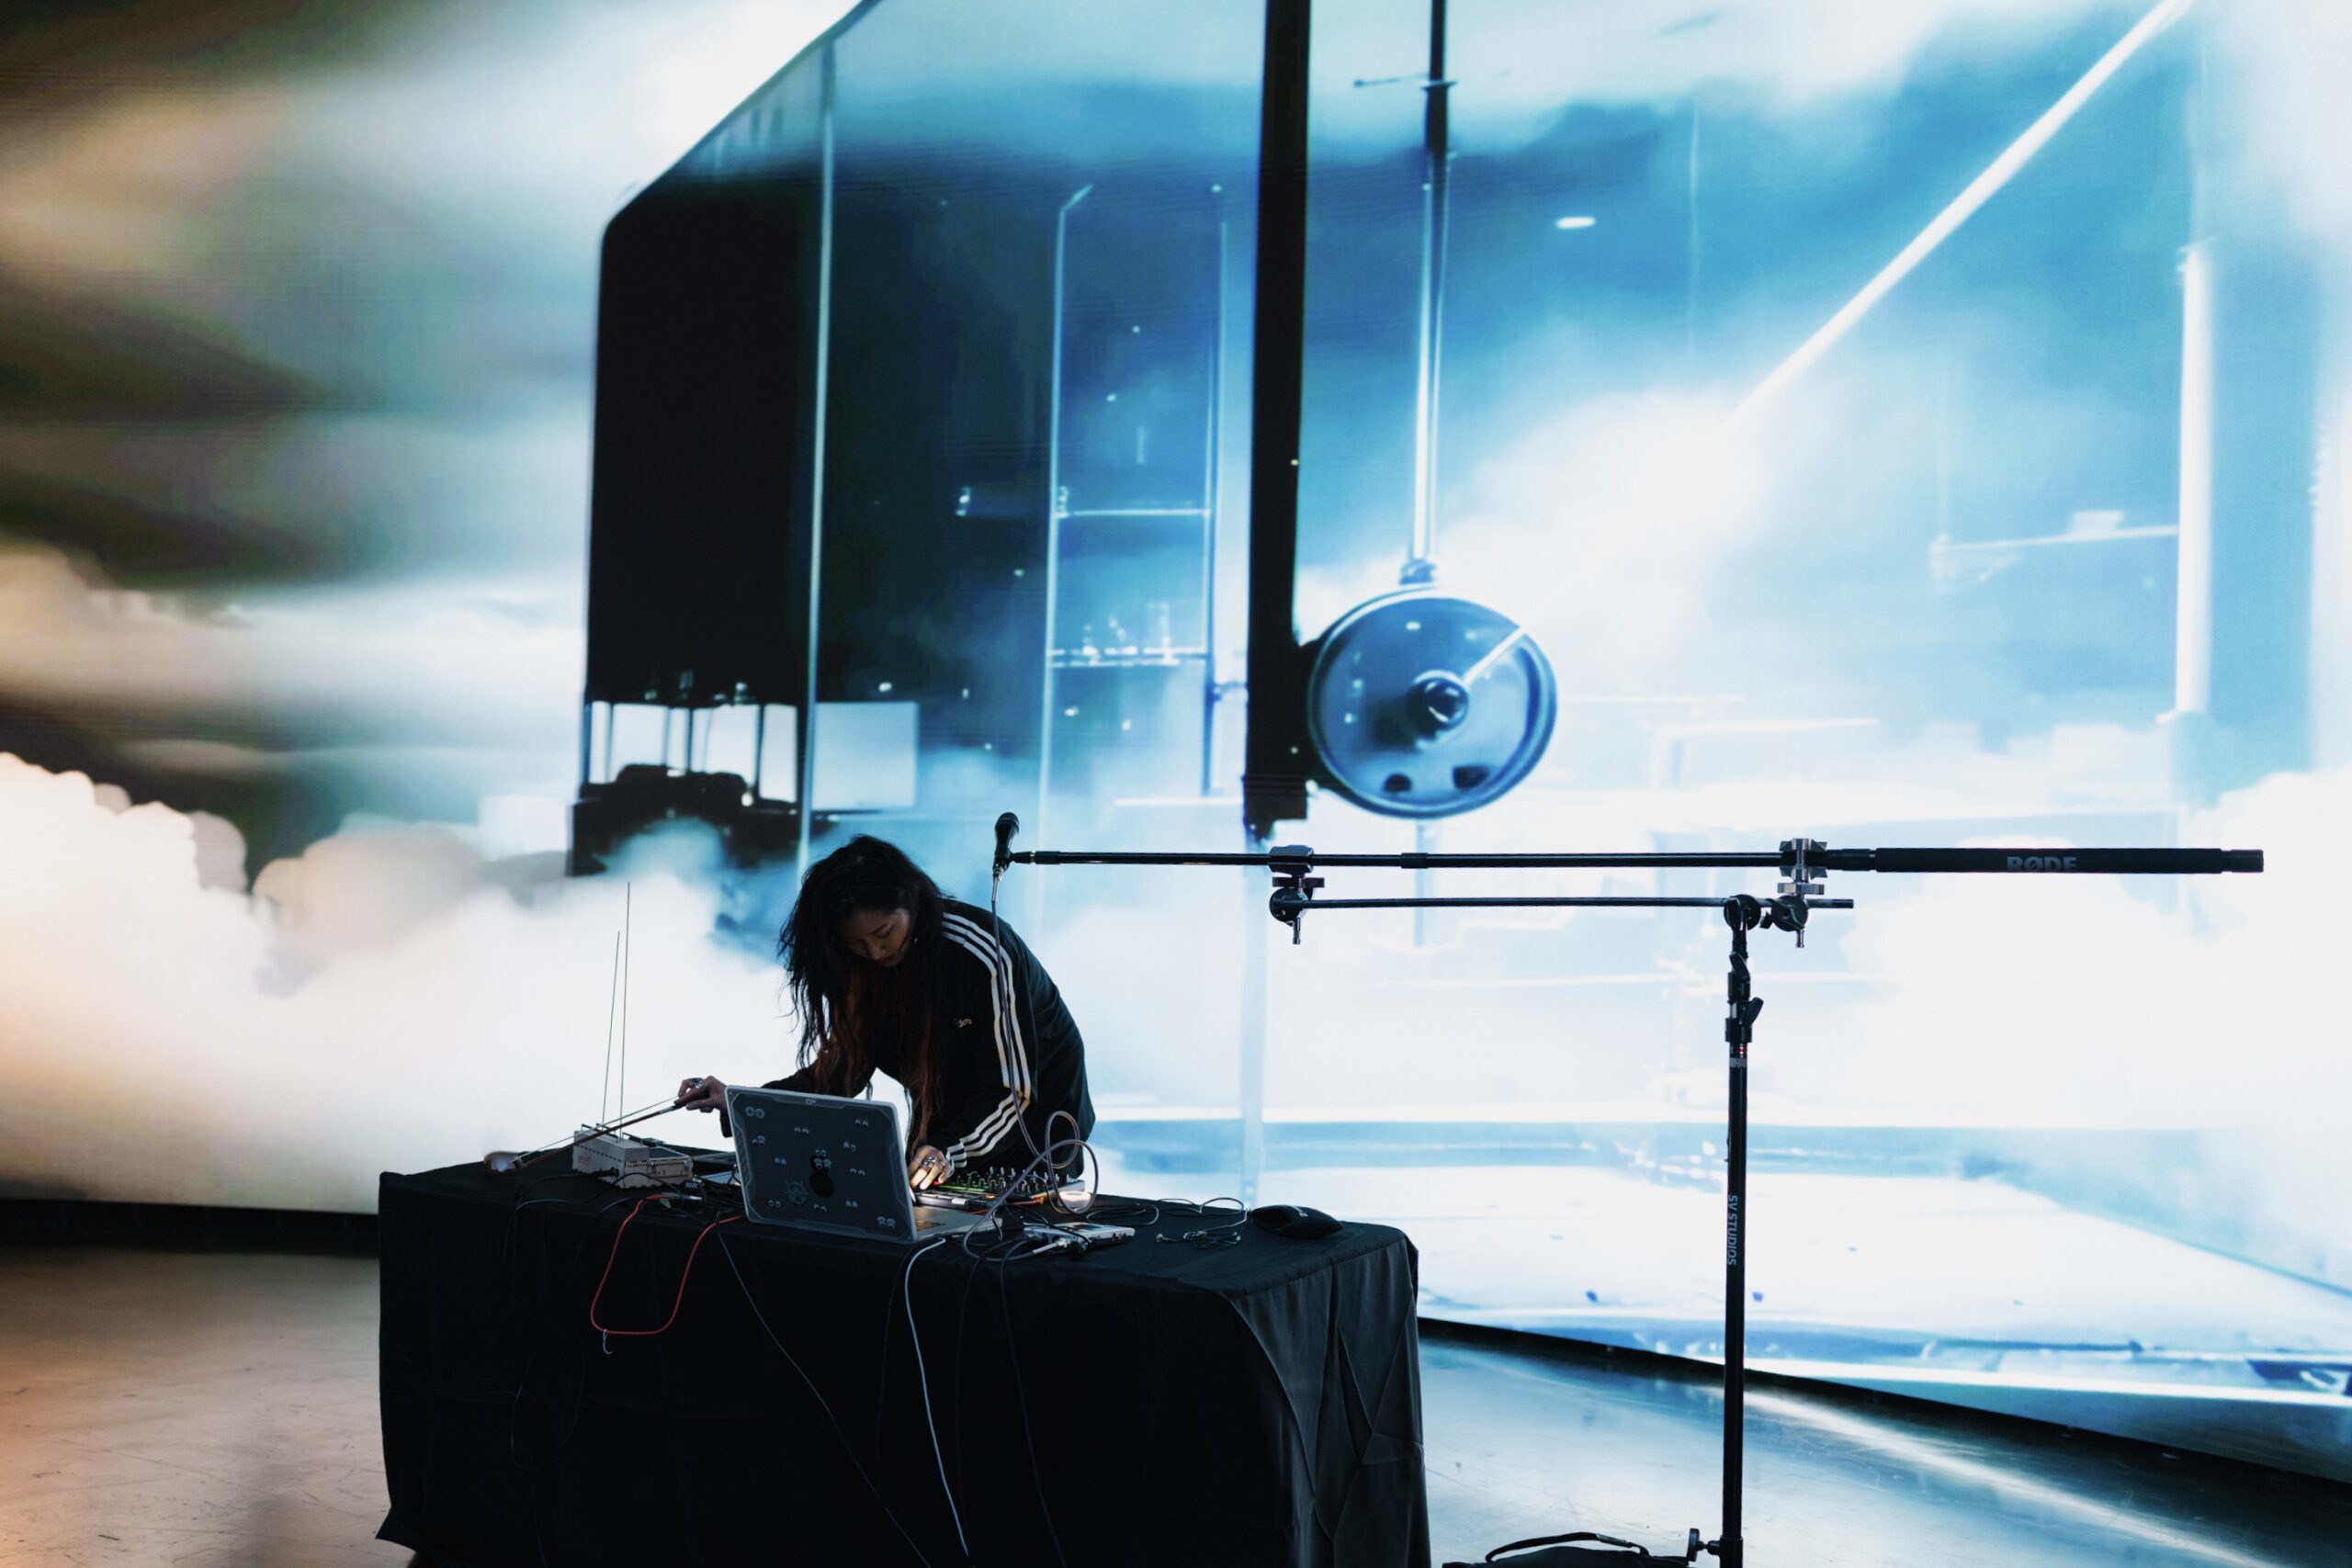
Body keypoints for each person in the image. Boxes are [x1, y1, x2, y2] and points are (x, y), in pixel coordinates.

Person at [675, 835, 1093, 1190]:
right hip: (948, 1133)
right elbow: (840, 1076)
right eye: (857, 944)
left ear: (910, 902)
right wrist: (743, 1102)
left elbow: (1013, 1092)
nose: (875, 953)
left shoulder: (981, 953)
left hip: (1037, 1132)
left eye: (884, 933)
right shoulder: (857, 969)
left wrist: (946, 1150)